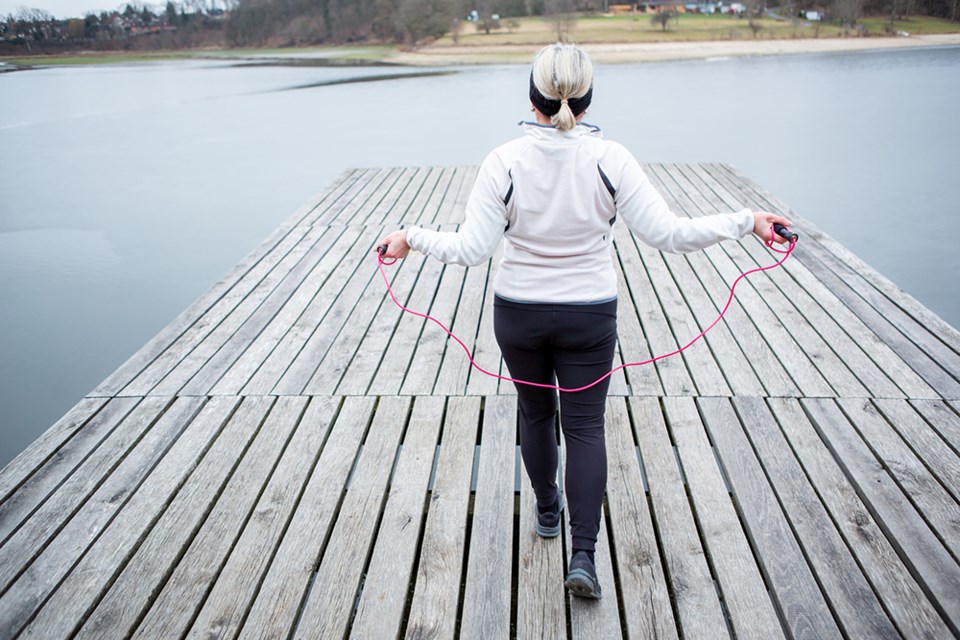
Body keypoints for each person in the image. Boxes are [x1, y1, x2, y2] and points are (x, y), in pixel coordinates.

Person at [378, 43, 791, 600]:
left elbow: (473, 249)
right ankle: (584, 556)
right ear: (589, 97)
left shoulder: (503, 161)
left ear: (532, 95)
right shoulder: (612, 160)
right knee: (585, 428)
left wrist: (412, 237)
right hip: (589, 317)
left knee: (536, 414)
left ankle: (548, 512)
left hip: (518, 316)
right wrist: (748, 221)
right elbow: (668, 234)